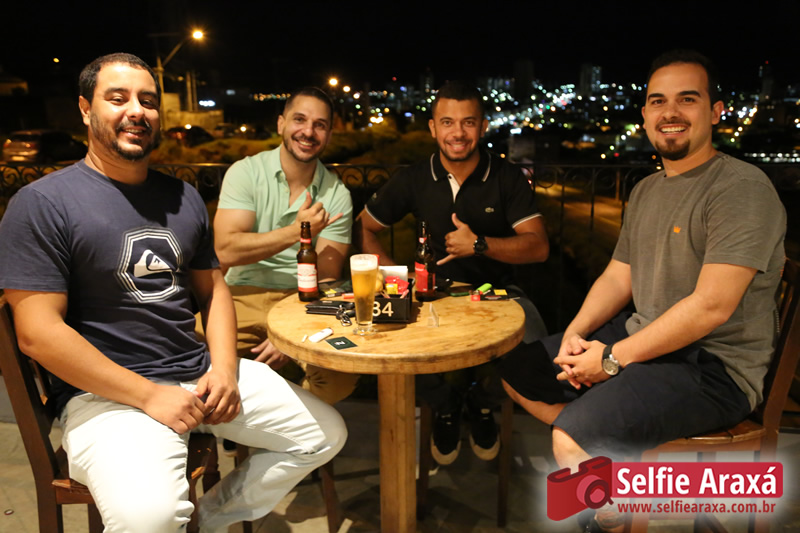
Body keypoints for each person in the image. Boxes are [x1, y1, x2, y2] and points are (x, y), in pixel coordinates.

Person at [0, 53, 346, 533]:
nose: (136, 111)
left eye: (147, 100)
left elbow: (214, 290)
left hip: (197, 374)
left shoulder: (182, 198)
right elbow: (37, 333)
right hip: (109, 396)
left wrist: (224, 369)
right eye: (117, 98)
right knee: (150, 518)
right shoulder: (43, 204)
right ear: (85, 109)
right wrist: (148, 395)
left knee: (323, 434)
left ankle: (211, 518)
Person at [500, 50, 786, 532]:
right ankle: (621, 472)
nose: (670, 112)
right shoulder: (648, 189)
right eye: (658, 101)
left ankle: (607, 503)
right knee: (518, 371)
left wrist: (612, 360)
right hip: (646, 340)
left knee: (575, 437)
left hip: (713, 367)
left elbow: (712, 307)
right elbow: (619, 275)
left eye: (687, 99)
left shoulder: (740, 188)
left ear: (716, 111)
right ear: (645, 114)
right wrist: (575, 332)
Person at [355, 81, 549, 465]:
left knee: (539, 359)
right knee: (390, 351)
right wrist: (396, 280)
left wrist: (479, 244)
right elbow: (363, 227)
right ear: (433, 128)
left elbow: (538, 247)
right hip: (433, 293)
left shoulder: (506, 176)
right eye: (447, 122)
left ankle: (481, 401)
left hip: (499, 292)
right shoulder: (414, 177)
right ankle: (446, 405)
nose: (457, 133)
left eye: (468, 122)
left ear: (483, 126)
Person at [201, 87, 358, 406]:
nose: (308, 132)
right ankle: (249, 420)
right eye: (299, 120)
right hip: (239, 296)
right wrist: (297, 231)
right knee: (180, 353)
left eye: (320, 125)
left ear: (329, 134)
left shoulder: (336, 194)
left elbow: (327, 277)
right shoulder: (246, 172)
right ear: (281, 124)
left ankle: (275, 423)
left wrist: (291, 332)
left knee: (338, 378)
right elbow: (225, 251)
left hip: (300, 301)